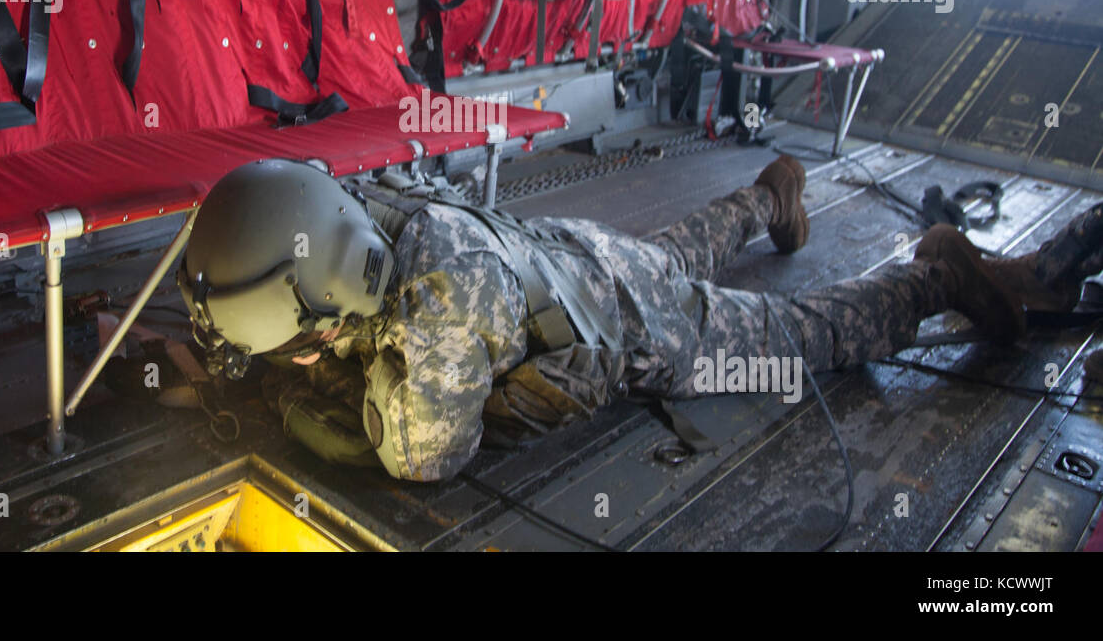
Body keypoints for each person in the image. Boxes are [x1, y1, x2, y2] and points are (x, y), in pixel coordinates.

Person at [177, 156, 1103, 482]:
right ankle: (763, 198)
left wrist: (325, 391)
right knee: (665, 255)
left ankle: (930, 277)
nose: (302, 359)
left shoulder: (438, 317)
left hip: (632, 335)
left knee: (803, 340)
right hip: (570, 256)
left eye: (305, 345)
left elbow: (424, 456)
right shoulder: (349, 209)